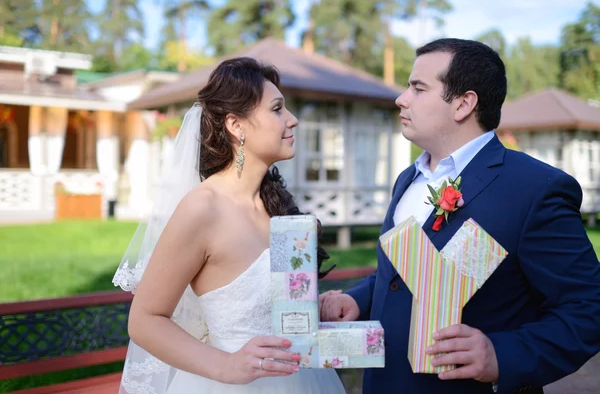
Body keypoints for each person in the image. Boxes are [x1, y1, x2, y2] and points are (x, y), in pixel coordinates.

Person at [320, 38, 600, 394]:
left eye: (418, 88)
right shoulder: (407, 179)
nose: (401, 99)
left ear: (464, 104)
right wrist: (357, 299)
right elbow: (398, 272)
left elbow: (589, 307)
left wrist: (502, 355)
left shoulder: (534, 189)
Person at [112, 57, 345, 394]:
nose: (292, 121)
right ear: (237, 126)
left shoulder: (278, 206)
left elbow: (282, 317)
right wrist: (227, 365)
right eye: (278, 109)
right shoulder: (202, 208)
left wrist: (317, 310)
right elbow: (145, 320)